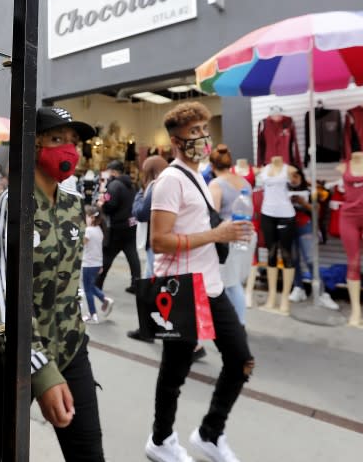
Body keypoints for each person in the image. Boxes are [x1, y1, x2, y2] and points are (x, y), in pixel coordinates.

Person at [0, 106, 104, 462]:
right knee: (1, 447)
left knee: (88, 451)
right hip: (14, 352)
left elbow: (69, 283)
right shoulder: (12, 204)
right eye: (57, 139)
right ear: (33, 146)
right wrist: (40, 369)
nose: (69, 150)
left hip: (70, 345)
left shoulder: (75, 206)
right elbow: (3, 294)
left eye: (74, 142)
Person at [146, 102, 254, 462]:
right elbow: (158, 240)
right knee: (175, 373)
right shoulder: (170, 180)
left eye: (205, 129)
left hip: (210, 286)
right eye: (194, 131)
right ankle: (161, 440)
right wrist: (215, 235)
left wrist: (224, 234)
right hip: (179, 288)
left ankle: (210, 432)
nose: (203, 137)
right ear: (176, 140)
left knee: (240, 360)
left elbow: (199, 229)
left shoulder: (201, 178)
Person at [208, 144, 256, 325]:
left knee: (230, 284)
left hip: (229, 239)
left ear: (212, 166)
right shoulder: (245, 183)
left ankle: (239, 324)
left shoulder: (216, 184)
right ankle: (236, 322)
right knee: (234, 282)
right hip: (247, 235)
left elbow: (213, 214)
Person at [287, 169, 340, 310]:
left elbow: (316, 210)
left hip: (306, 226)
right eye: (290, 176)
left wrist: (303, 203)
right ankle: (298, 287)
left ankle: (322, 293)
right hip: (289, 225)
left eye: (296, 176)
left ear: (301, 176)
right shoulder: (283, 189)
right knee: (293, 260)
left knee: (310, 259)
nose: (293, 179)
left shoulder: (310, 190)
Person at [130, 155, 169, 343]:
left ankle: (148, 329)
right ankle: (149, 328)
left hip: (157, 242)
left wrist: (139, 195)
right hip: (168, 241)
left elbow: (141, 213)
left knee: (151, 287)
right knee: (156, 286)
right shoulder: (172, 182)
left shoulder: (155, 186)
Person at [95, 159, 141, 293]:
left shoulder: (114, 185)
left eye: (109, 171)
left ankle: (98, 283)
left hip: (117, 226)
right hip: (131, 224)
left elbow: (110, 206)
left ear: (114, 172)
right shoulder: (131, 185)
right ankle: (136, 283)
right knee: (132, 255)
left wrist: (102, 204)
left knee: (107, 255)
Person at [82, 205, 114, 324]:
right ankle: (104, 299)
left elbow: (82, 244)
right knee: (90, 286)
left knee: (87, 290)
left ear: (91, 218)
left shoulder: (88, 231)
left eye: (86, 216)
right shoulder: (100, 231)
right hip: (96, 264)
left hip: (88, 264)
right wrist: (100, 265)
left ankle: (92, 314)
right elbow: (99, 249)